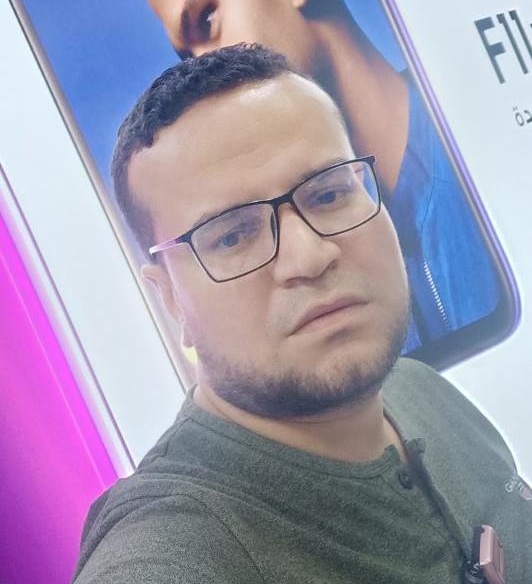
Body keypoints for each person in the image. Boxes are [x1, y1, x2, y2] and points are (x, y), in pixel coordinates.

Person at [73, 45, 530, 583]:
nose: (309, 257)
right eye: (233, 235)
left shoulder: (418, 388)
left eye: (329, 193)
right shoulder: (177, 547)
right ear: (171, 300)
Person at [132, 0, 502, 353]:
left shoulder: (492, 145)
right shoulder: (301, 275)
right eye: (188, 56)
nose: (206, 70)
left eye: (207, 18)